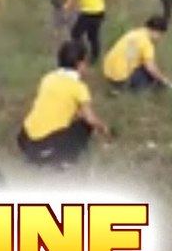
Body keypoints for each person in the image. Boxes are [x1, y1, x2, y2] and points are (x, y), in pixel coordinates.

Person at [17, 40, 111, 168]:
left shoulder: (48, 78)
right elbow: (90, 118)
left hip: (25, 140)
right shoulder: (79, 87)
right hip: (44, 145)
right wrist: (103, 127)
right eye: (85, 62)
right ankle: (64, 159)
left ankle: (39, 154)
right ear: (80, 64)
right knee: (84, 126)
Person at [103, 16, 172, 91]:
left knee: (142, 67)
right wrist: (164, 80)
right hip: (119, 79)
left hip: (108, 72)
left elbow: (130, 56)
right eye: (161, 34)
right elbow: (150, 68)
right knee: (151, 80)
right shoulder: (147, 43)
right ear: (156, 31)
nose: (160, 38)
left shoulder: (135, 33)